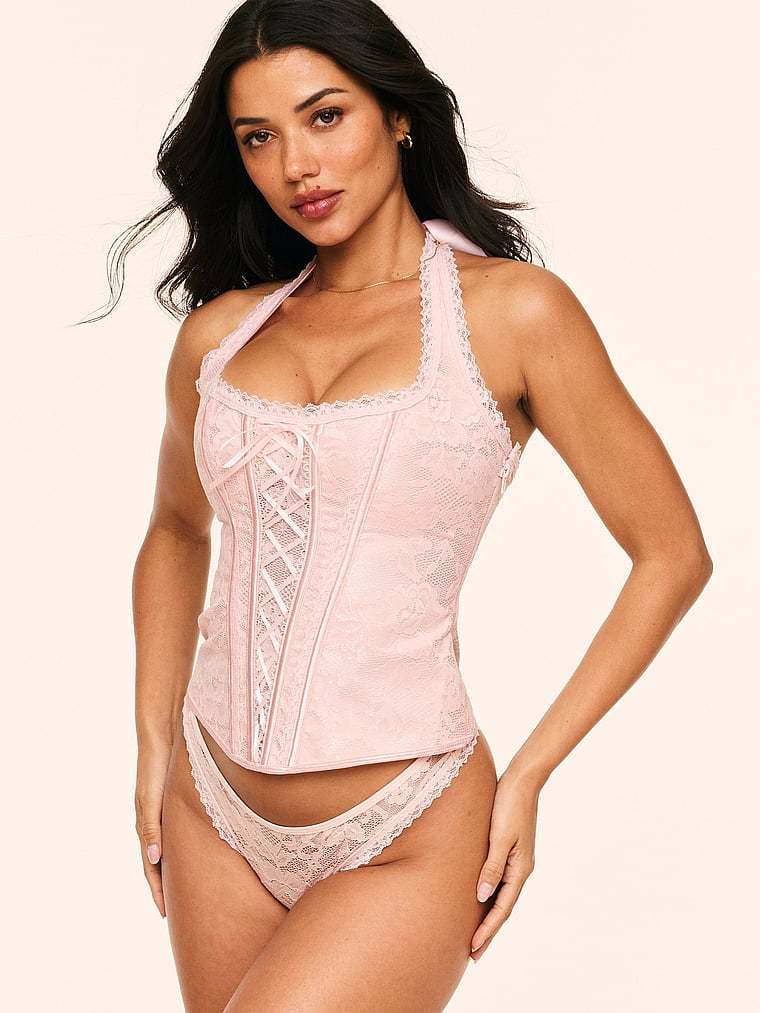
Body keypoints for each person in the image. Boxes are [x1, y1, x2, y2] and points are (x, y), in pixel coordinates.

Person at [114, 1, 713, 1009]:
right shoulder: (218, 336)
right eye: (258, 137)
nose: (297, 164)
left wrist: (530, 772)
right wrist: (153, 747)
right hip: (211, 812)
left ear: (398, 115)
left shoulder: (514, 313)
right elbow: (176, 531)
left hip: (405, 825)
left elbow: (672, 553)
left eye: (325, 116)